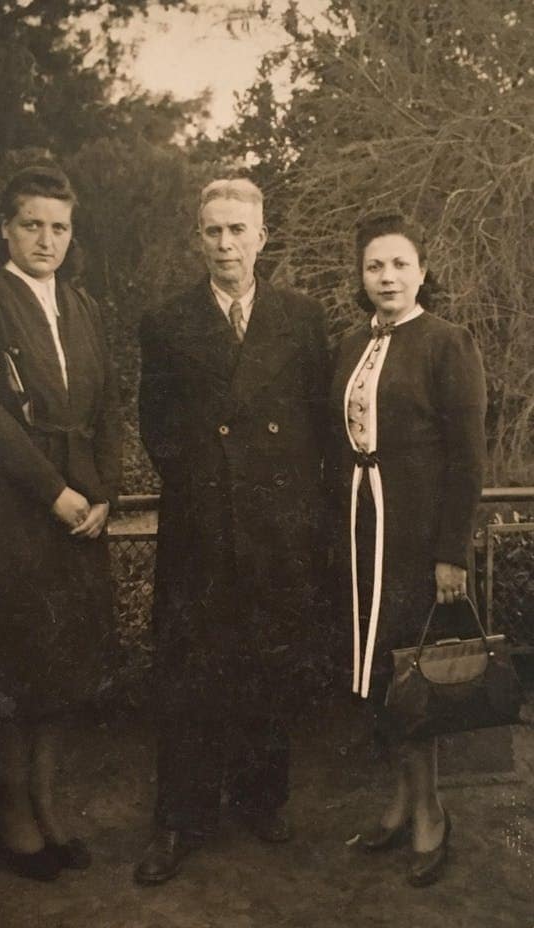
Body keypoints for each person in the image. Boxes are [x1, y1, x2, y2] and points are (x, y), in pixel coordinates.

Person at [136, 177, 329, 884]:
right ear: (199, 238)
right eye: (213, 231)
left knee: (268, 663)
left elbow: (316, 422)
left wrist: (283, 504)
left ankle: (261, 798)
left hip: (275, 528)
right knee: (190, 672)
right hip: (203, 527)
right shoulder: (166, 322)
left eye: (237, 230)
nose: (225, 244)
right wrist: (209, 488)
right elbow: (156, 425)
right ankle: (180, 819)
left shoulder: (301, 318)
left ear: (261, 237)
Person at [0, 165, 122, 881]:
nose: (47, 239)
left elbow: (109, 405)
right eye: (32, 225)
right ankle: (12, 811)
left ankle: (47, 805)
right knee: (11, 665)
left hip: (76, 512)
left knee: (62, 663)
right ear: (5, 230)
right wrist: (54, 492)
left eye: (60, 227)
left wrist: (102, 492)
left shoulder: (83, 306)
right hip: (5, 510)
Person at [327, 211, 487, 887]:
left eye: (399, 264)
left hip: (417, 538)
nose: (387, 277)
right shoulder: (350, 344)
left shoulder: (447, 342)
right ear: (360, 277)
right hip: (361, 531)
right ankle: (398, 802)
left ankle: (431, 814)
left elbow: (468, 459)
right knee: (375, 676)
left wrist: (451, 552)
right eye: (374, 266)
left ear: (422, 271)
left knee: (413, 674)